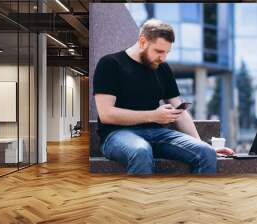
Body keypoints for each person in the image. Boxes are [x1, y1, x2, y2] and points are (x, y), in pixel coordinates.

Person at [93, 19, 233, 175]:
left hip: (156, 134)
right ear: (142, 41)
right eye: (159, 51)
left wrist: (199, 143)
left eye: (167, 52)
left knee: (205, 152)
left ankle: (198, 199)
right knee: (140, 151)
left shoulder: (162, 68)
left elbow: (179, 110)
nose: (163, 58)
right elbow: (106, 114)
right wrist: (153, 115)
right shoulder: (110, 64)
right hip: (116, 135)